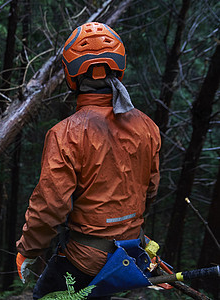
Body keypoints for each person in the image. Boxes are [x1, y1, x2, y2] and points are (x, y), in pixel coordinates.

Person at [15, 22, 161, 299]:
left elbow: (50, 206)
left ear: (72, 73)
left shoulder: (66, 133)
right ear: (119, 66)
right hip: (131, 251)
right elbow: (150, 190)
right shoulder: (148, 127)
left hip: (84, 258)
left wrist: (28, 249)